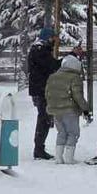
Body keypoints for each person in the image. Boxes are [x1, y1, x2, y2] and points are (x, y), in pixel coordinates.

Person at [43, 47, 92, 164]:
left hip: (55, 110)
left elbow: (47, 94)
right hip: (69, 110)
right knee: (73, 133)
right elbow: (78, 96)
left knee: (61, 132)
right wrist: (86, 109)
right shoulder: (74, 78)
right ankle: (69, 158)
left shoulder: (52, 76)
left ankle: (59, 158)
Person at [27, 27, 61, 160]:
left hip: (40, 88)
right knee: (43, 119)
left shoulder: (39, 49)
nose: (54, 41)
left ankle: (40, 147)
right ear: (48, 37)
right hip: (41, 90)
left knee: (44, 118)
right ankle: (39, 149)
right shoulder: (40, 50)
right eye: (53, 38)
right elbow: (51, 66)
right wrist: (69, 58)